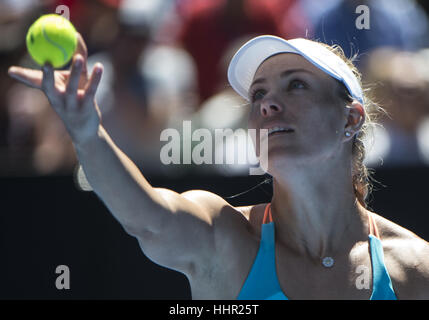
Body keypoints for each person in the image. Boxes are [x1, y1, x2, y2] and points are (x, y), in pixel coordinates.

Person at [8, 33, 429, 299]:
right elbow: (147, 218)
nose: (267, 103)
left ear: (351, 119)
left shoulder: (415, 267)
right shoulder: (224, 238)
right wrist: (87, 132)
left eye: (295, 85)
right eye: (259, 92)